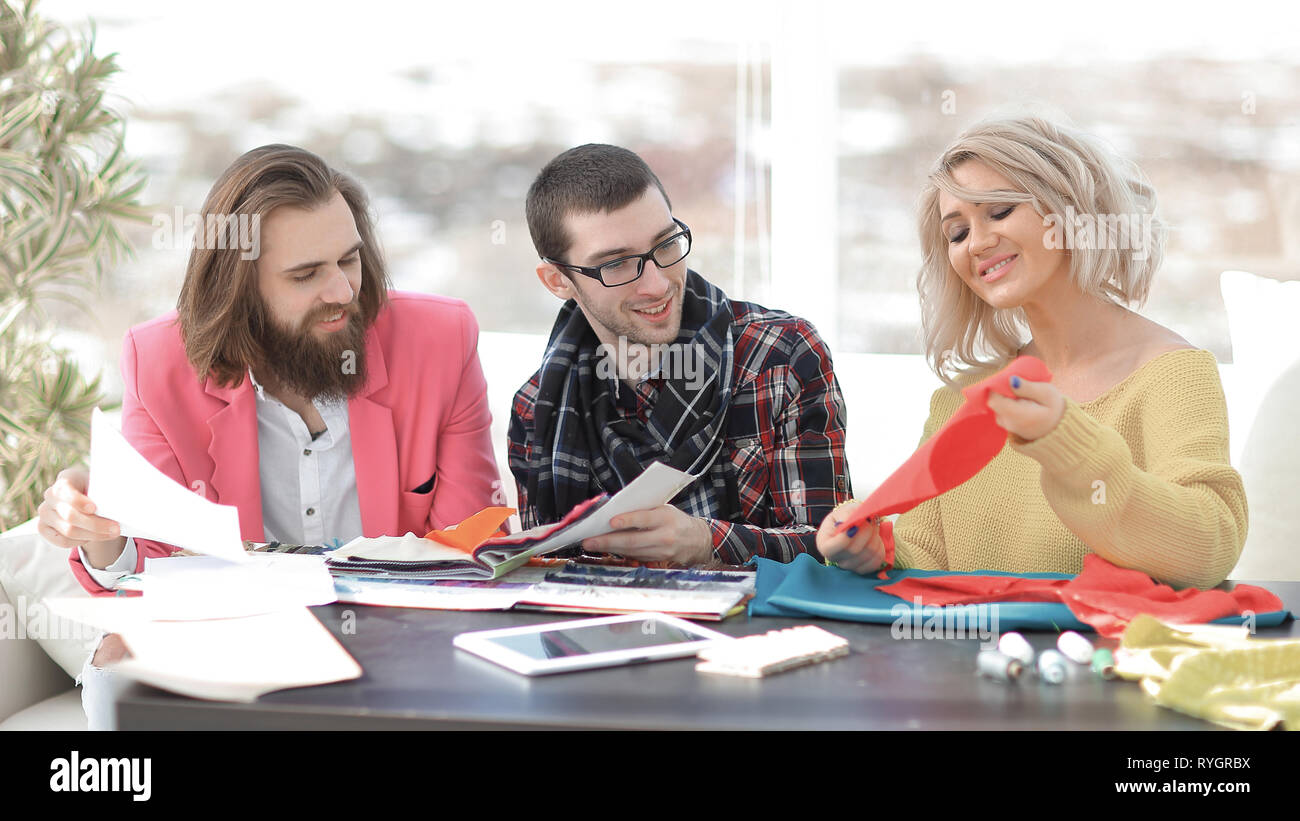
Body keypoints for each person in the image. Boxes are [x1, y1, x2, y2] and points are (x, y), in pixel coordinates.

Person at [36, 145, 500, 724]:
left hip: (397, 631)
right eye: (306, 275)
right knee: (119, 681)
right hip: (233, 635)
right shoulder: (157, 362)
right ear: (240, 287)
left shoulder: (440, 340)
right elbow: (151, 563)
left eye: (349, 260)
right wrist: (99, 524)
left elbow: (467, 547)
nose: (341, 291)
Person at [817, 116, 1247, 589]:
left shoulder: (1173, 375)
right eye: (956, 233)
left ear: (1069, 211)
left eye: (998, 211)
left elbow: (1209, 550)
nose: (976, 243)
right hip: (969, 660)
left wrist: (1066, 441)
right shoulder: (963, 399)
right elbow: (928, 563)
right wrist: (874, 549)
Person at [510, 144, 852, 566]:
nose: (656, 284)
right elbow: (539, 579)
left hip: (761, 631)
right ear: (558, 281)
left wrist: (708, 544)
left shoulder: (782, 355)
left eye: (666, 244)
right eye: (616, 264)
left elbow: (835, 549)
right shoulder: (536, 408)